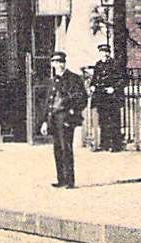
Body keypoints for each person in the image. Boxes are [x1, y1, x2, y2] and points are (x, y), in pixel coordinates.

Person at [44, 51, 89, 188]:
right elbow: (48, 103)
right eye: (55, 63)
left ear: (64, 63)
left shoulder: (73, 79)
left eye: (60, 62)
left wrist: (72, 111)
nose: (58, 65)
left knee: (66, 148)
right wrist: (45, 121)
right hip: (54, 118)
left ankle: (69, 180)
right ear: (52, 64)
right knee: (57, 149)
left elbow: (82, 98)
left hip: (66, 118)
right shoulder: (53, 81)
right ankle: (61, 179)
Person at [90, 42, 126, 152]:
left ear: (109, 53)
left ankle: (116, 145)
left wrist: (114, 88)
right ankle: (104, 144)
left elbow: (122, 79)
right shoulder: (98, 65)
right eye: (102, 52)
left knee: (114, 120)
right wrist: (92, 86)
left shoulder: (115, 64)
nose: (104, 54)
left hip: (112, 97)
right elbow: (95, 79)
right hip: (101, 97)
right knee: (103, 120)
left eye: (106, 52)